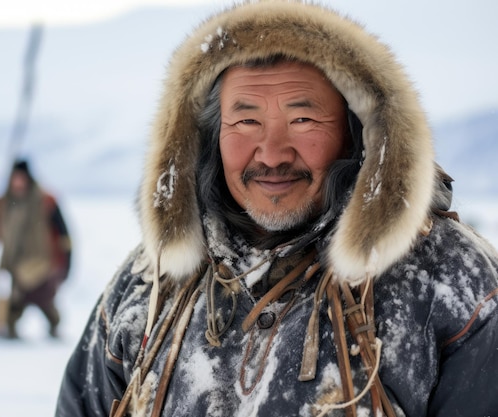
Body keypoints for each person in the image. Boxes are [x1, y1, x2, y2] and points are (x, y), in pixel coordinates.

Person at [56, 2, 498, 416]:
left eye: (302, 119)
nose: (270, 154)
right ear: (209, 135)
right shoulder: (149, 289)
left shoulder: (448, 283)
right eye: (246, 120)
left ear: (357, 131)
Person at [0, 159, 72, 339]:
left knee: (45, 301)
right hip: (13, 264)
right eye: (15, 178)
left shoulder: (46, 201)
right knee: (14, 302)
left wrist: (67, 262)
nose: (18, 182)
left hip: (43, 264)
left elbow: (63, 235)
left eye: (21, 178)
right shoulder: (3, 204)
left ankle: (54, 327)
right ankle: (8, 329)